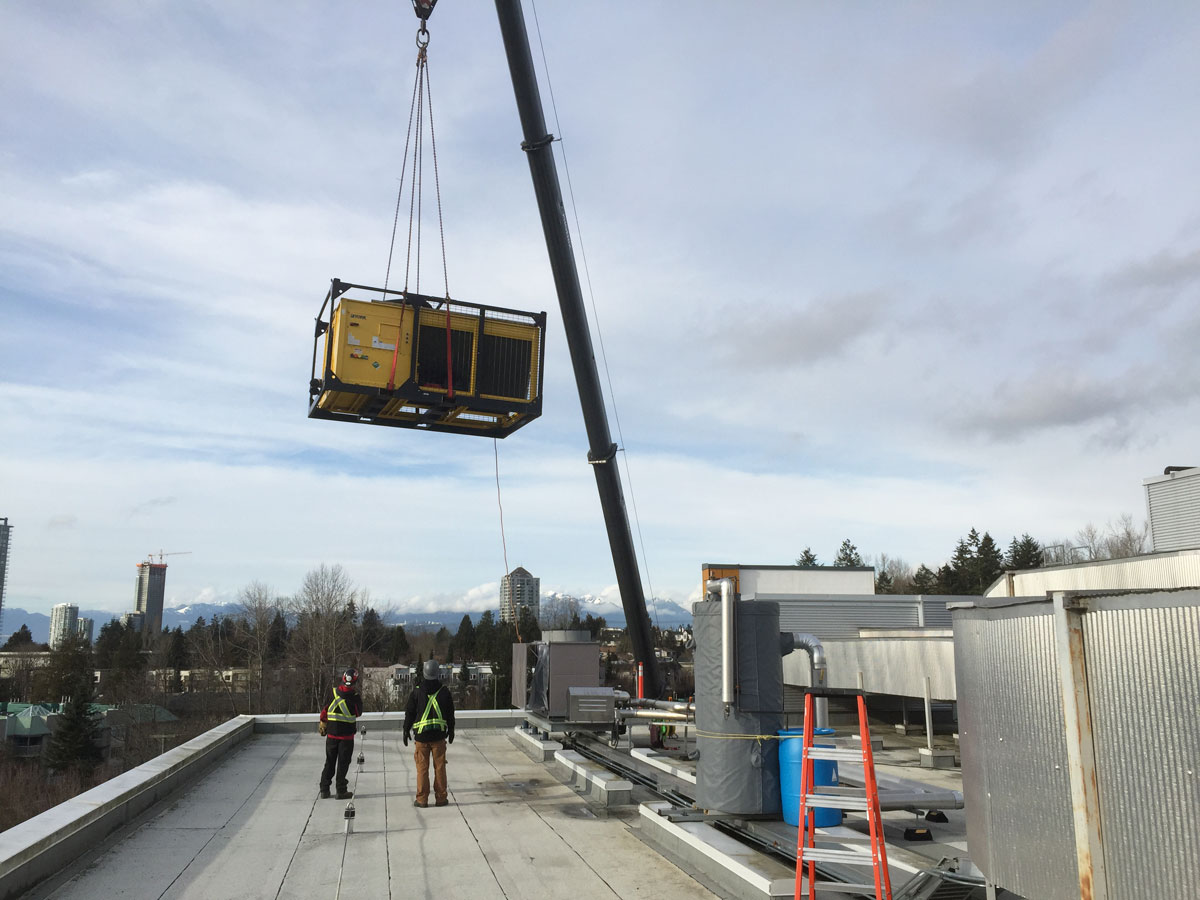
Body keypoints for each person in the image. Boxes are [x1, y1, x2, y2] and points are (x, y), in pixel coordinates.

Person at [403, 658, 455, 808]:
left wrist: (406, 729)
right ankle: (441, 798)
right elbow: (450, 713)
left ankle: (422, 799)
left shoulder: (417, 692)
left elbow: (410, 713)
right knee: (440, 768)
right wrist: (451, 730)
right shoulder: (444, 692)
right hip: (439, 737)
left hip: (421, 737)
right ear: (437, 673)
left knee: (422, 769)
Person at [319, 667, 363, 800]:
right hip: (346, 737)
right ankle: (341, 790)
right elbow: (358, 713)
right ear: (355, 682)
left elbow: (324, 711)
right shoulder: (355, 697)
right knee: (343, 764)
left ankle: (324, 789)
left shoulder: (332, 693)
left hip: (331, 735)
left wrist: (323, 723)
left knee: (329, 762)